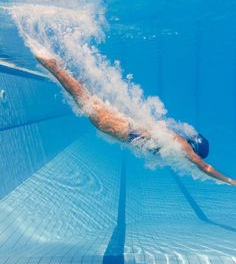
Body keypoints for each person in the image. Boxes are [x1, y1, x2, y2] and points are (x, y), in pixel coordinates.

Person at [36, 55, 236, 186]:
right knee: (83, 99)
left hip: (124, 128)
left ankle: (59, 65)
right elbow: (204, 167)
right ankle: (53, 65)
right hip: (122, 129)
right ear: (195, 149)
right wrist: (230, 181)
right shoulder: (182, 145)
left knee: (86, 97)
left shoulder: (175, 145)